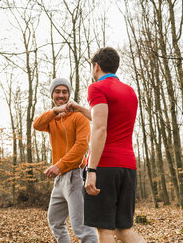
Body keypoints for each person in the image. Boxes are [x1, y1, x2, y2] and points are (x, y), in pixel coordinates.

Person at [66, 47, 146, 243]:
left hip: (105, 165)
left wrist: (92, 168)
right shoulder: (130, 92)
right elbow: (104, 118)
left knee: (105, 231)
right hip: (128, 166)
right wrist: (77, 107)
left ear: (96, 67)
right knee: (123, 229)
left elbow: (100, 128)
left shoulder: (97, 88)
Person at [33, 78, 98, 243]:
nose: (61, 95)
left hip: (75, 175)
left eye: (64, 92)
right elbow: (36, 124)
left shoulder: (79, 117)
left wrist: (59, 165)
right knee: (55, 221)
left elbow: (81, 147)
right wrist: (55, 111)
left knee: (82, 228)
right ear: (52, 95)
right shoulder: (52, 119)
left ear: (69, 94)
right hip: (60, 179)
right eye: (57, 91)